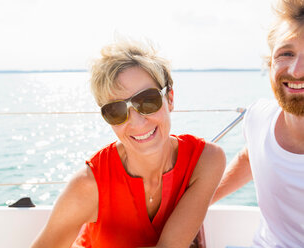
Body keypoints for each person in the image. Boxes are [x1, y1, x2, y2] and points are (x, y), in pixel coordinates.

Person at [32, 40, 225, 248]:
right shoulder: (88, 186)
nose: (136, 122)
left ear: (170, 98)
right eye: (116, 110)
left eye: (148, 100)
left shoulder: (206, 161)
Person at [212, 0, 304, 247]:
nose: (296, 71)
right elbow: (253, 156)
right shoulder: (259, 118)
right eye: (286, 53)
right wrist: (198, 204)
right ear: (270, 63)